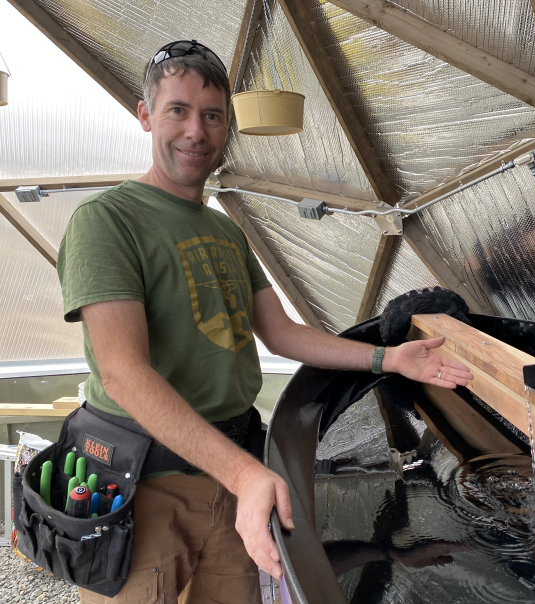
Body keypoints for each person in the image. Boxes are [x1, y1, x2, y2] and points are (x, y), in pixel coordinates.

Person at [57, 40, 473, 604]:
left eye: (212, 116)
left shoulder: (227, 231)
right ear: (146, 114)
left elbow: (280, 333)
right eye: (178, 110)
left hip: (233, 479)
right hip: (146, 485)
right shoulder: (107, 221)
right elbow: (125, 375)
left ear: (227, 126)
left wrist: (386, 358)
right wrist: (246, 474)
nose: (195, 132)